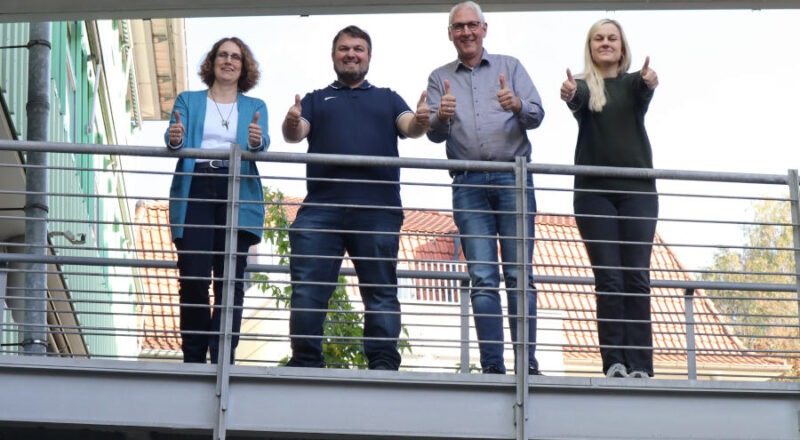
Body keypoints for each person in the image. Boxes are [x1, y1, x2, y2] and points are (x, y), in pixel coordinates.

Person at [281, 25, 430, 370]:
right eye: (345, 49)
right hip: (321, 209)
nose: (351, 54)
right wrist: (291, 121)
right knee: (308, 289)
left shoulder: (388, 97)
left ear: (369, 56)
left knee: (380, 290)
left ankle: (382, 364)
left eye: (358, 49)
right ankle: (305, 361)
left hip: (377, 209)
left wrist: (424, 119)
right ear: (334, 56)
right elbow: (295, 134)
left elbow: (411, 127)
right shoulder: (316, 99)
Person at [426, 1, 544, 375]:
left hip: (513, 177)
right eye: (459, 27)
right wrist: (441, 117)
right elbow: (432, 134)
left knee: (518, 274)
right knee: (482, 276)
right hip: (468, 184)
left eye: (472, 25)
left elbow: (538, 115)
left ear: (484, 28)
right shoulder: (438, 76)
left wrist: (518, 104)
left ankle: (527, 364)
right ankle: (493, 367)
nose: (466, 32)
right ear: (450, 34)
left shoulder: (510, 66)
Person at [560, 19, 659, 379]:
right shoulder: (585, 87)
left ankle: (641, 366)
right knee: (610, 278)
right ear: (591, 47)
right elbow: (578, 99)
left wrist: (650, 82)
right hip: (594, 195)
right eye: (598, 39)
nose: (605, 43)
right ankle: (614, 362)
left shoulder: (634, 84)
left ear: (622, 46)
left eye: (611, 38)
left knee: (636, 276)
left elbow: (646, 89)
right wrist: (570, 93)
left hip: (638, 193)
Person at [165, 37, 269, 364]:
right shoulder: (188, 100)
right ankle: (194, 358)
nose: (228, 61)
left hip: (236, 188)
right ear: (212, 62)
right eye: (222, 55)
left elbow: (261, 142)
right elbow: (174, 137)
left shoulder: (255, 107)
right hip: (196, 186)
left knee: (230, 281)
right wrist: (175, 137)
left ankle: (223, 356)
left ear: (243, 66)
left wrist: (257, 140)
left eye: (235, 57)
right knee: (194, 277)